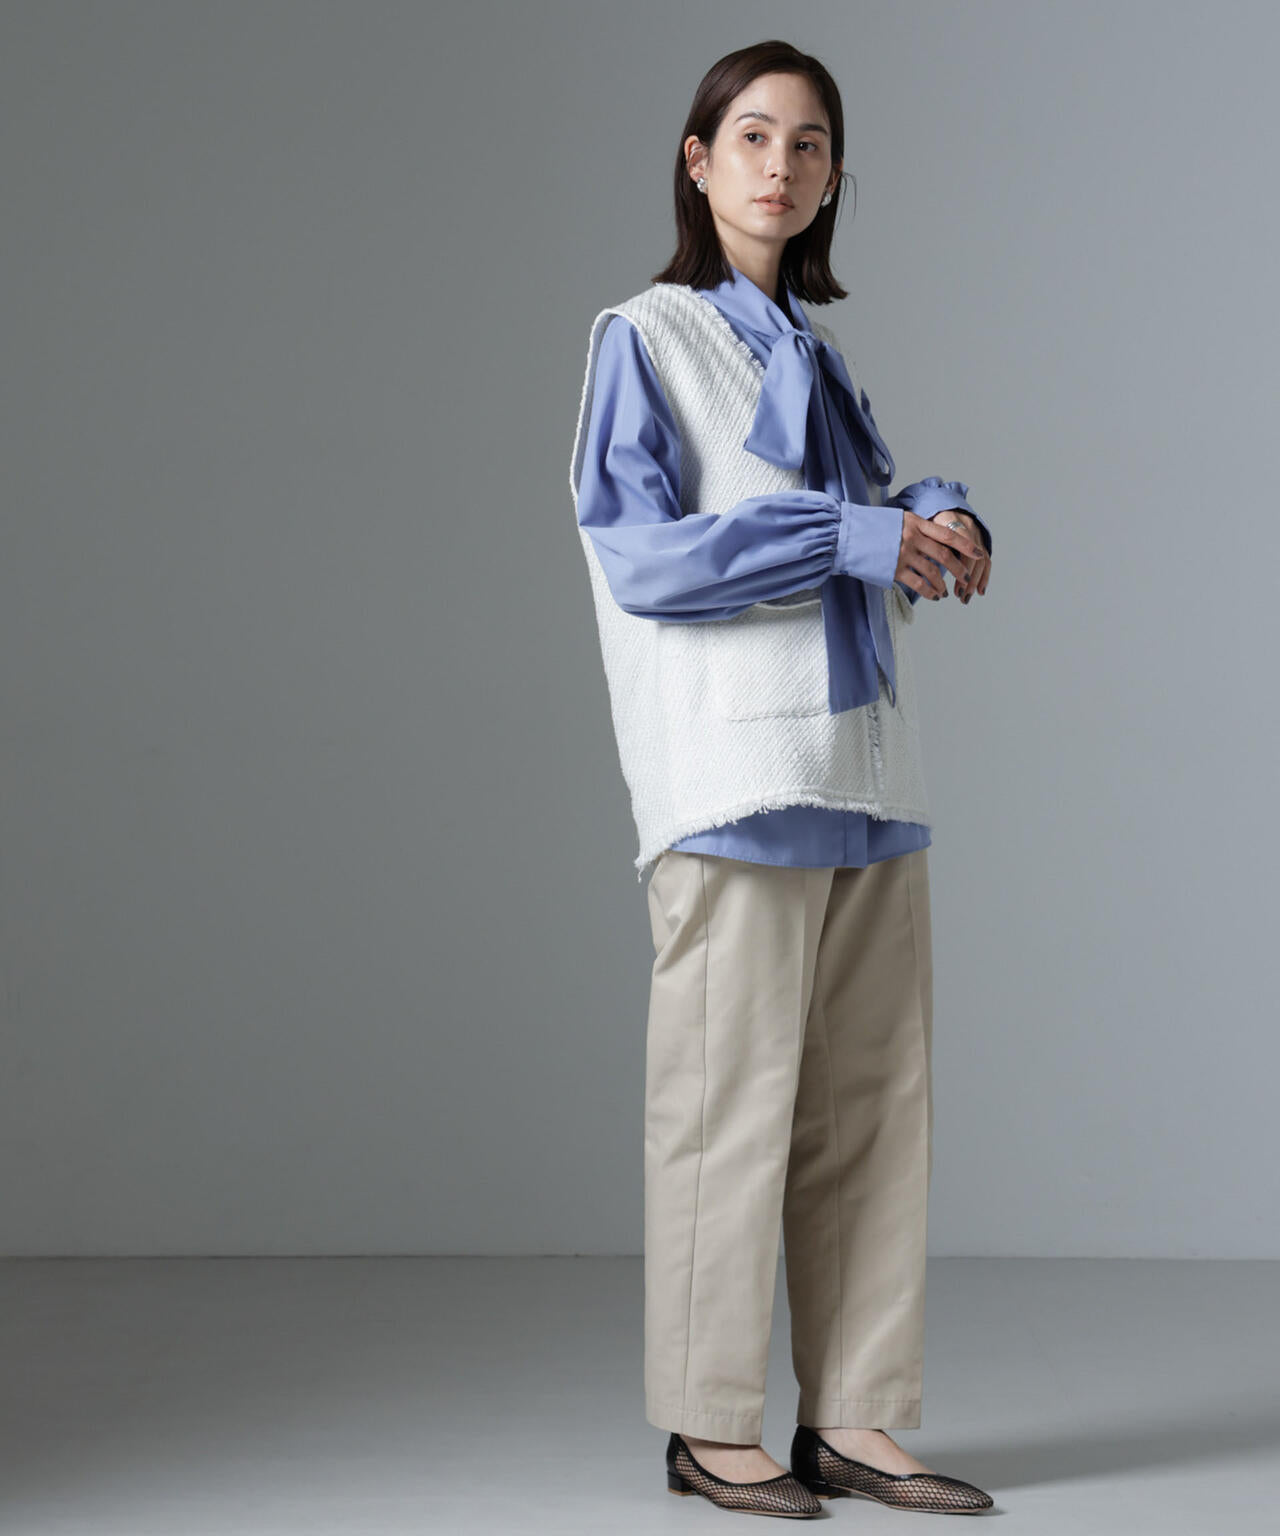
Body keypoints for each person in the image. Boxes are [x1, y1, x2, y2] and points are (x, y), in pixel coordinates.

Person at [568, 39, 996, 1519]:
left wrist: (933, 521)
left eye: (810, 144)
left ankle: (855, 1418)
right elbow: (642, 557)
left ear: (832, 180)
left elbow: (849, 524)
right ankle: (707, 1426)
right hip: (736, 784)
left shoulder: (816, 356)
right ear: (698, 162)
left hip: (865, 778)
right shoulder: (647, 337)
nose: (781, 164)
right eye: (752, 136)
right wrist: (858, 537)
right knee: (725, 1110)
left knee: (876, 1110)